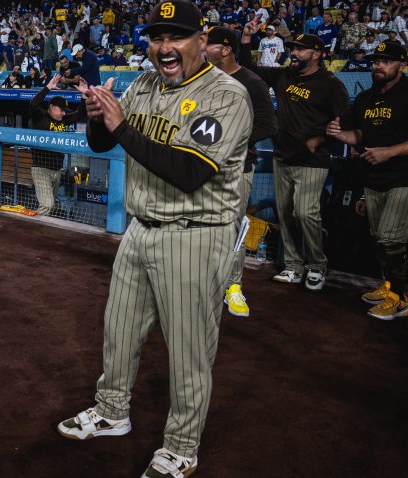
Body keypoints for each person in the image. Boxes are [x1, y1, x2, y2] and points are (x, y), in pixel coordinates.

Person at [57, 2, 253, 476]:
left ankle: (182, 447)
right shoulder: (143, 83)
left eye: (178, 37)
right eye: (156, 37)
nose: (165, 47)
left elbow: (188, 172)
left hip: (195, 234)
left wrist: (120, 123)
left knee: (187, 350)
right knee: (118, 332)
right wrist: (96, 116)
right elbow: (104, 143)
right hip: (140, 229)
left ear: (201, 42)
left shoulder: (226, 96)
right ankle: (111, 411)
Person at [326, 41, 408, 320]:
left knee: (391, 237)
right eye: (376, 60)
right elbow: (360, 137)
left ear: (402, 65)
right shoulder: (366, 98)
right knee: (379, 238)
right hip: (375, 177)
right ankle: (389, 286)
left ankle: (399, 300)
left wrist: (390, 152)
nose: (379, 65)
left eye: (387, 61)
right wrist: (341, 135)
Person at [240, 26, 351, 291]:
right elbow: (247, 67)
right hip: (283, 156)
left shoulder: (331, 84)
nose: (294, 53)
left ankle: (317, 265)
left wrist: (320, 139)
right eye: (293, 49)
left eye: (300, 49)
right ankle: (293, 266)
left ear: (317, 54)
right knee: (286, 213)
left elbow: (344, 121)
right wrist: (246, 38)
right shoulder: (284, 75)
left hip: (313, 159)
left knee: (305, 212)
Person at [205, 26, 278, 317]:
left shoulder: (252, 82)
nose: (201, 49)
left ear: (225, 49)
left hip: (237, 167)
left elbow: (268, 125)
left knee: (233, 228)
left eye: (207, 44)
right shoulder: (202, 79)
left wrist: (232, 139)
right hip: (201, 167)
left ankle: (233, 287)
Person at [28, 74, 87, 215]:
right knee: (47, 205)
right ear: (52, 107)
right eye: (61, 110)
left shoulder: (62, 119)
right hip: (41, 169)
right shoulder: (41, 117)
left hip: (57, 170)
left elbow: (80, 114)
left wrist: (84, 97)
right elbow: (32, 104)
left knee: (50, 206)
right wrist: (48, 88)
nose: (63, 113)